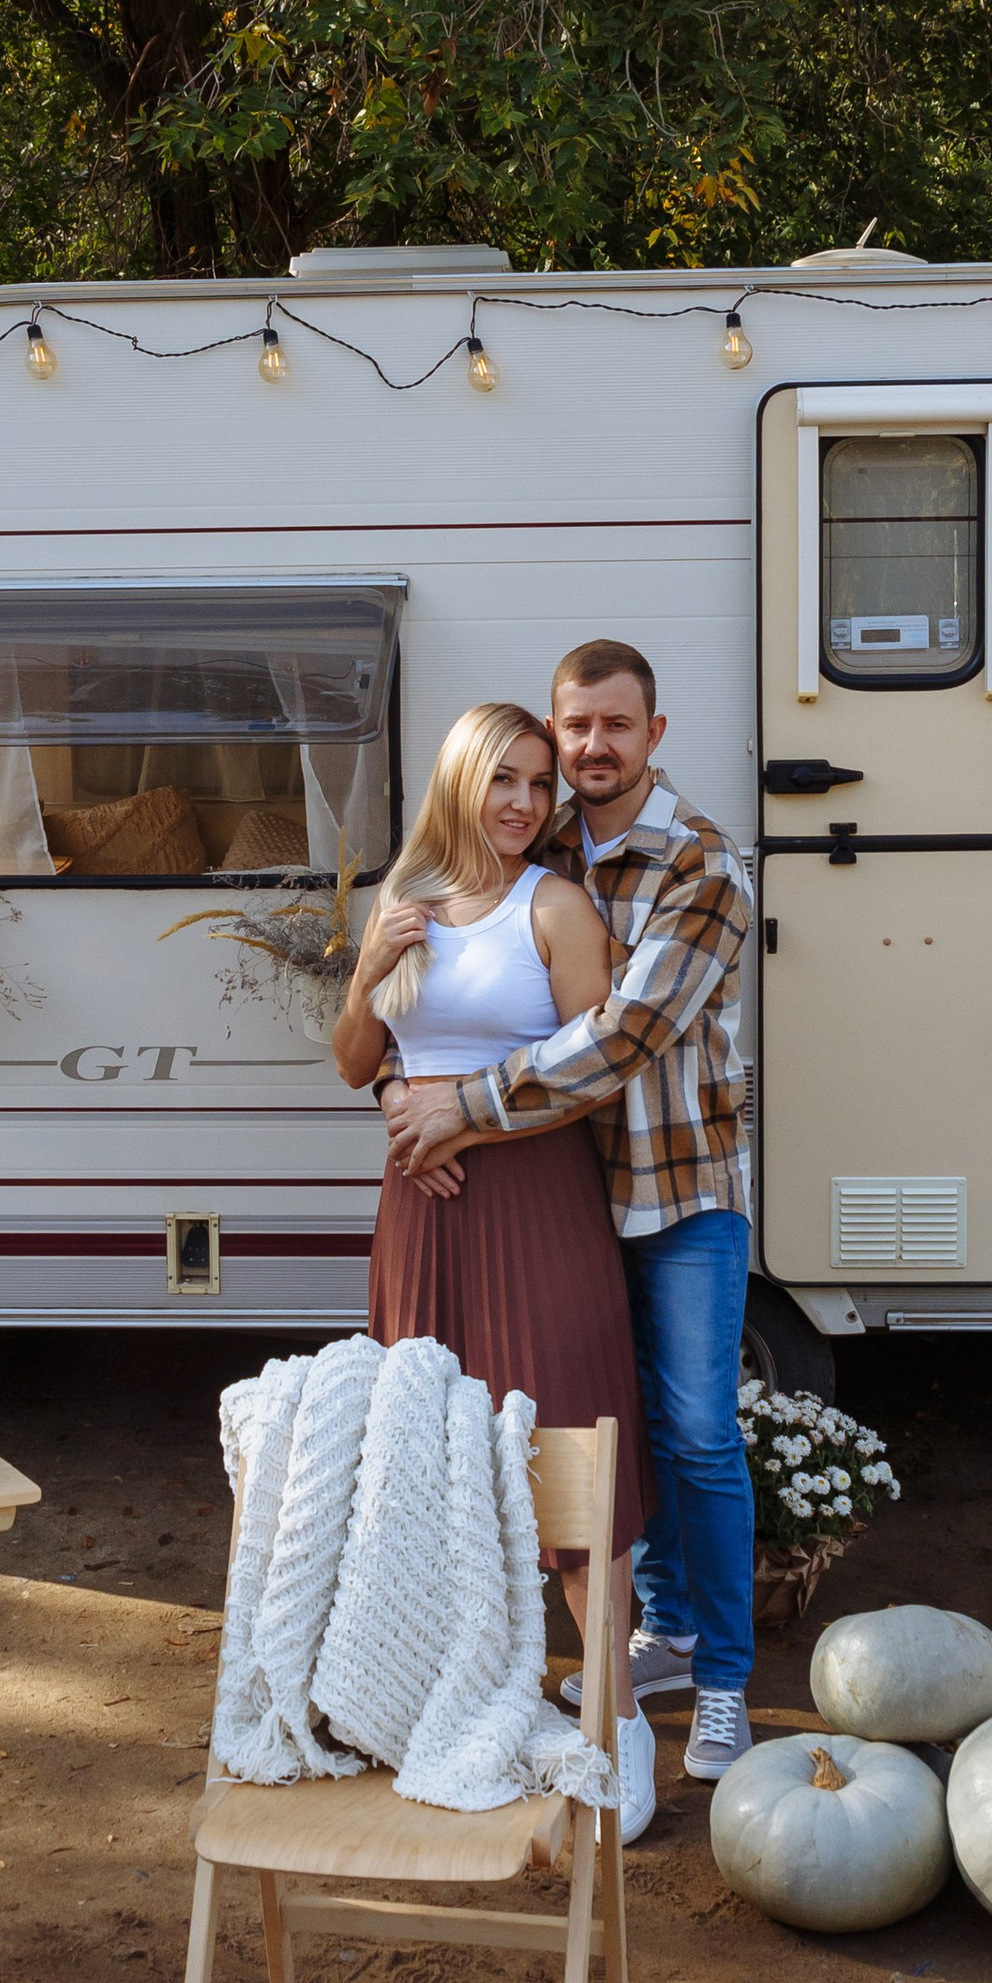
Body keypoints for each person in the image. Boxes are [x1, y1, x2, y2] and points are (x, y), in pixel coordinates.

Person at [380, 640, 759, 1782]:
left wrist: (459, 1112)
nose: (587, 750)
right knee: (607, 1425)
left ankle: (728, 1680)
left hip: (676, 1192)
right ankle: (664, 1635)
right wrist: (406, 1090)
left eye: (613, 727)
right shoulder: (532, 844)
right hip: (561, 1198)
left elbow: (620, 1038)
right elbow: (457, 1003)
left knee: (694, 1430)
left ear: (654, 733)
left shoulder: (703, 869)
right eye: (572, 729)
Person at [333, 701, 659, 1834]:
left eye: (538, 784)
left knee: (570, 1457)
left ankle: (619, 1730)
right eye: (504, 781)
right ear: (460, 782)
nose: (524, 803)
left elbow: (596, 1076)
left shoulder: (555, 906)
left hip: (534, 1202)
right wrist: (373, 959)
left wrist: (459, 1124)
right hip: (420, 1214)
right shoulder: (404, 898)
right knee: (432, 1459)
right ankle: (461, 1706)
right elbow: (352, 1062)